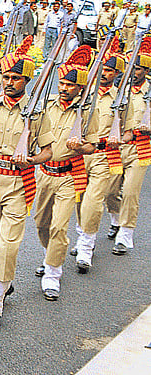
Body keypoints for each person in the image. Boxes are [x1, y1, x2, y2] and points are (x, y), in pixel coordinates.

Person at [0, 36, 55, 332]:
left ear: (26, 80)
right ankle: (4, 279)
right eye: (6, 76)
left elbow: (48, 150)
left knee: (8, 244)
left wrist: (34, 159)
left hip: (18, 182)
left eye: (16, 78)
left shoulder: (36, 111)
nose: (9, 82)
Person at [33, 46, 98, 300]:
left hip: (69, 176)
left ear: (79, 88)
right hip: (45, 173)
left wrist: (80, 146)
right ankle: (52, 255)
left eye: (70, 85)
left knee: (60, 227)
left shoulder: (85, 111)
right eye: (62, 82)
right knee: (42, 224)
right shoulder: (47, 105)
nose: (64, 88)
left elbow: (93, 146)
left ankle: (53, 273)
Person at [72, 37, 135, 272]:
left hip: (103, 155)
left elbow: (129, 132)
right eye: (101, 69)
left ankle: (87, 248)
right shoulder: (84, 94)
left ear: (116, 73)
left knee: (93, 202)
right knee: (79, 200)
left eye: (109, 71)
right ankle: (81, 236)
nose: (105, 74)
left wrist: (119, 139)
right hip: (79, 155)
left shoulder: (121, 99)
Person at [104, 38, 151, 255]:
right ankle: (115, 218)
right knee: (110, 190)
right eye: (132, 68)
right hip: (116, 147)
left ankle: (125, 234)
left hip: (140, 148)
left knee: (131, 192)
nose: (135, 72)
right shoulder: (117, 90)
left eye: (139, 69)